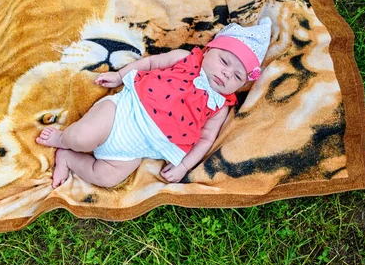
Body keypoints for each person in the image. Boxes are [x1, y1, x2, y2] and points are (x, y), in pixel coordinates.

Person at [36, 17, 272, 188]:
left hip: (134, 151)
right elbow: (150, 64)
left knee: (107, 178)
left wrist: (184, 166)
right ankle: (62, 140)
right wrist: (120, 76)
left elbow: (206, 139)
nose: (227, 73)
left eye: (238, 76)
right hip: (123, 113)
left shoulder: (220, 106)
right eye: (224, 61)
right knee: (80, 137)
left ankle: (68, 158)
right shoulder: (185, 59)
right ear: (209, 49)